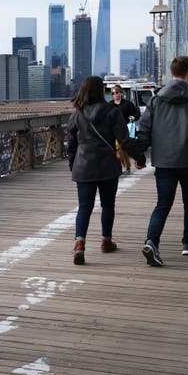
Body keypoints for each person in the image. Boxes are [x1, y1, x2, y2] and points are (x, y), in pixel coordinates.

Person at [136, 56, 188, 267]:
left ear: (172, 72)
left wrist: (139, 156)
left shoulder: (156, 99)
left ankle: (151, 242)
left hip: (164, 161)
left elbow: (144, 129)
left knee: (162, 204)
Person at [66, 76, 147, 265]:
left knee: (84, 207)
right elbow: (125, 140)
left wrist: (73, 165)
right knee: (107, 205)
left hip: (84, 167)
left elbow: (71, 144)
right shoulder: (112, 111)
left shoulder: (77, 113)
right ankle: (106, 241)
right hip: (107, 167)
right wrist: (140, 157)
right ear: (102, 91)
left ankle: (79, 244)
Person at [109, 84, 140, 174]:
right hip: (113, 131)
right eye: (112, 93)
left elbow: (136, 113)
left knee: (119, 148)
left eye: (116, 92)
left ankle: (126, 167)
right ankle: (124, 168)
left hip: (125, 130)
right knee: (117, 150)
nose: (114, 94)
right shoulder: (110, 105)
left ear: (121, 93)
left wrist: (134, 117)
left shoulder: (127, 104)